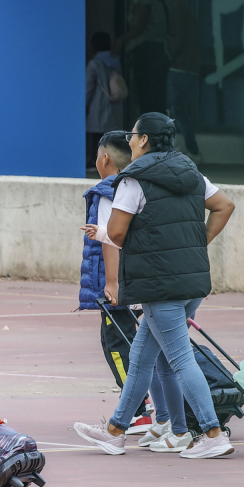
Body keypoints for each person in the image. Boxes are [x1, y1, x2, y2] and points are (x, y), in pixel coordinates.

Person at [72, 113, 236, 460]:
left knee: (179, 358)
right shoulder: (190, 171)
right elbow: (224, 205)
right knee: (142, 357)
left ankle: (212, 433)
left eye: (132, 135)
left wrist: (107, 234)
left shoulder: (133, 180)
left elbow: (118, 234)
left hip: (160, 284)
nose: (129, 141)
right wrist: (197, 244)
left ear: (144, 139)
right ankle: (116, 431)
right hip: (191, 279)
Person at [74, 132, 194, 452]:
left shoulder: (109, 190)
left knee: (121, 346)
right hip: (147, 280)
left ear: (104, 160)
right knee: (150, 353)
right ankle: (163, 418)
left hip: (123, 285)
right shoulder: (143, 185)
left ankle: (139, 412)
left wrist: (112, 284)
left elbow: (112, 240)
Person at [114, 0, 170, 115]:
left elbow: (139, 26)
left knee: (145, 96)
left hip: (146, 52)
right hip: (160, 50)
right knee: (156, 97)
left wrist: (121, 40)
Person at [162, 0, 202, 160]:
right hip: (190, 68)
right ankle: (191, 150)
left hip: (178, 67)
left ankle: (181, 150)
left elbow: (176, 39)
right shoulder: (187, 9)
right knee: (181, 110)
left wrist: (168, 58)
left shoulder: (176, 9)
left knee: (175, 110)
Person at [85, 32, 124, 165]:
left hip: (98, 106)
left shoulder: (94, 64)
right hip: (114, 106)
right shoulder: (116, 61)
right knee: (109, 138)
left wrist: (83, 105)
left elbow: (88, 87)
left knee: (97, 137)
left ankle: (95, 162)